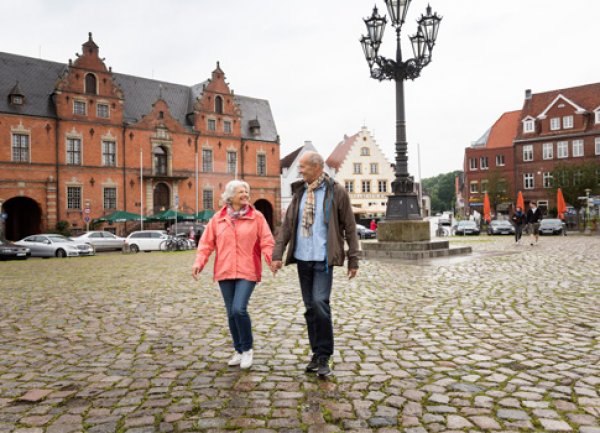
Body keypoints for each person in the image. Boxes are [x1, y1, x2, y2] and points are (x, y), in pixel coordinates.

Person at [271, 151, 359, 377]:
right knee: (310, 308)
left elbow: (350, 227)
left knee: (320, 303)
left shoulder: (336, 192)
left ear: (317, 167)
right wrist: (277, 254)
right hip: (303, 258)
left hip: (323, 259)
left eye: (303, 167)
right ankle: (316, 353)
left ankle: (325, 355)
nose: (300, 170)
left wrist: (354, 259)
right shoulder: (300, 193)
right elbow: (288, 226)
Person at [192, 180, 274, 369]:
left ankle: (247, 349)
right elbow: (206, 244)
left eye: (246, 191)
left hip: (248, 270)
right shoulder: (218, 219)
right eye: (240, 192)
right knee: (231, 314)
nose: (245, 194)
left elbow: (267, 241)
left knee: (239, 309)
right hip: (225, 270)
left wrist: (271, 260)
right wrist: (199, 263)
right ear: (230, 197)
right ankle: (238, 350)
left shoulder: (257, 217)